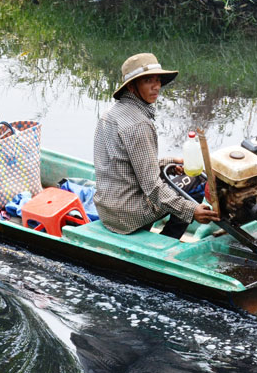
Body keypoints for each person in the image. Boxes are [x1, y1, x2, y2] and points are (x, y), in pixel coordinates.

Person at [93, 53, 219, 238]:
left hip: (107, 209)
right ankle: (168, 240)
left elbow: (124, 162)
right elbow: (152, 188)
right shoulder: (139, 125)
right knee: (197, 181)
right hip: (129, 215)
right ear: (131, 86)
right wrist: (191, 210)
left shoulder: (110, 114)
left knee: (180, 174)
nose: (156, 87)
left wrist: (169, 162)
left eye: (158, 80)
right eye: (148, 81)